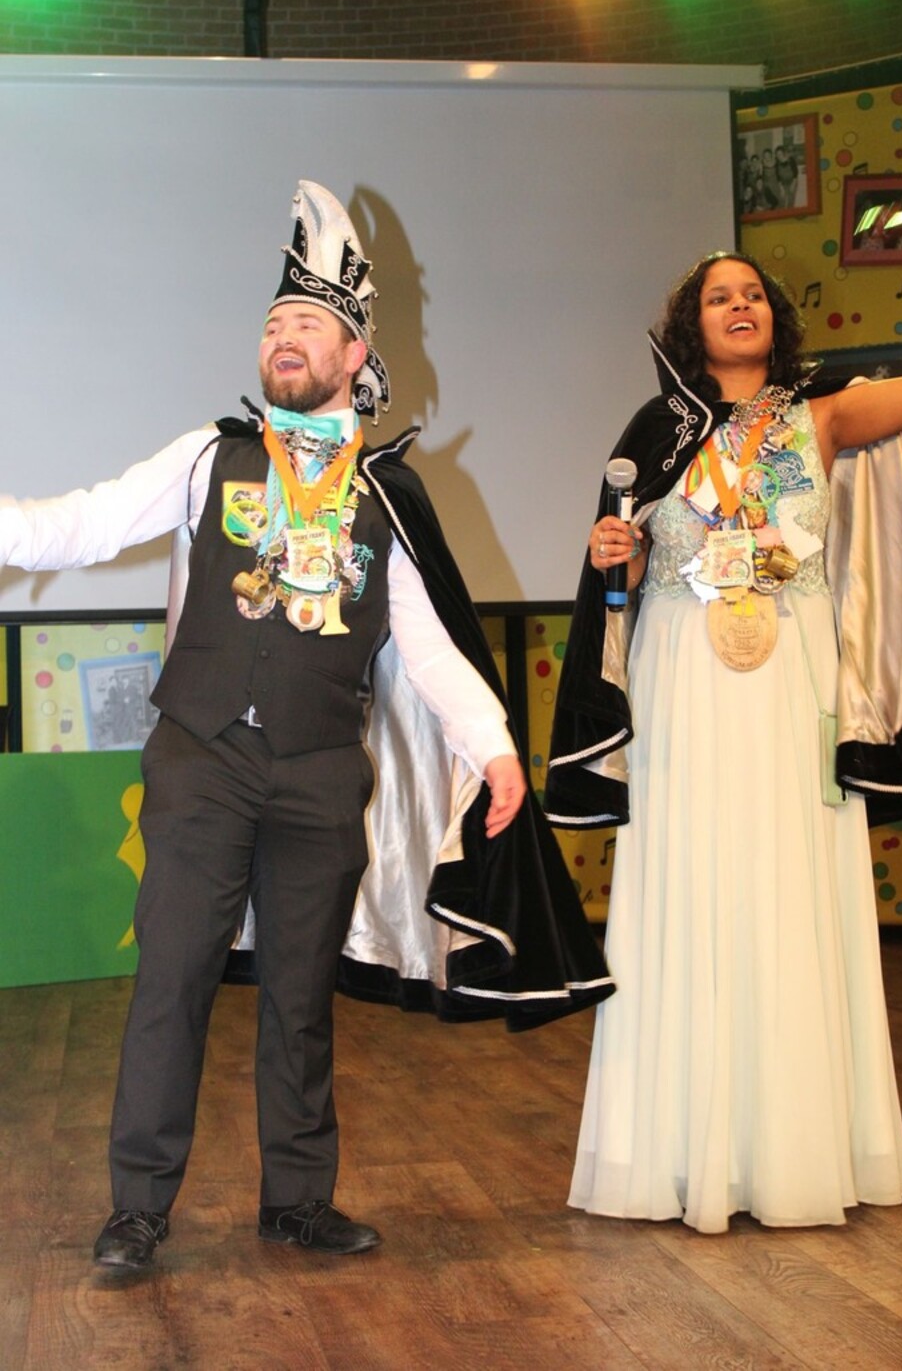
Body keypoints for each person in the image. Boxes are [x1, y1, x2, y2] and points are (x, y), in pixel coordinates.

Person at [0, 180, 613, 1270]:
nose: (282, 336)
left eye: (306, 323)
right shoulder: (209, 456)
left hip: (321, 771)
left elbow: (428, 646)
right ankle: (138, 1207)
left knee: (299, 994)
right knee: (172, 981)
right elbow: (80, 525)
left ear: (353, 352)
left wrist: (493, 749)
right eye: (272, 322)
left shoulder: (384, 496)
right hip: (202, 759)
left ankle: (297, 1200)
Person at [545, 197, 902, 1233]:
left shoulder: (822, 416)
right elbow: (624, 574)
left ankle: (792, 1150)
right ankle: (678, 1149)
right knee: (689, 886)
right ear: (689, 325)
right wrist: (614, 557)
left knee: (789, 886)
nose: (737, 305)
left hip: (793, 681)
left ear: (773, 318)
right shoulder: (655, 432)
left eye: (751, 294)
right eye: (716, 297)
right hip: (682, 677)